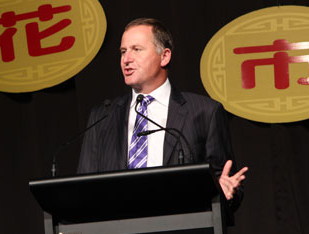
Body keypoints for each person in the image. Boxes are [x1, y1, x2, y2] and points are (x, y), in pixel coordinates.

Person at [77, 18, 248, 211]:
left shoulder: (204, 112)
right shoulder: (103, 116)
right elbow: (84, 188)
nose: (126, 59)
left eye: (137, 49)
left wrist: (223, 194)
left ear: (164, 56)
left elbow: (227, 182)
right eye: (123, 51)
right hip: (118, 225)